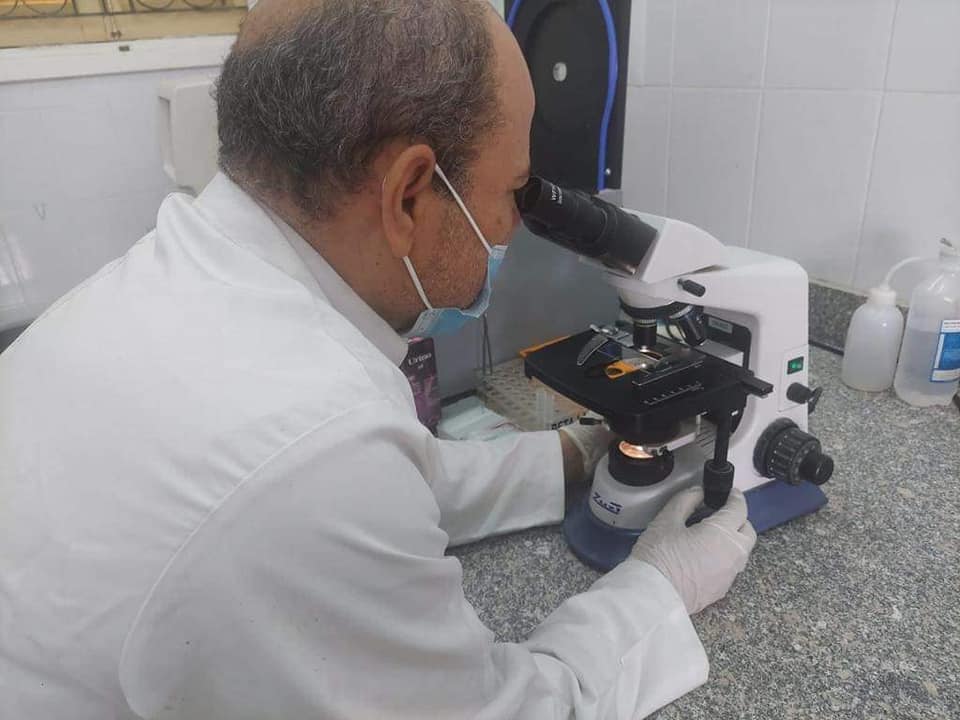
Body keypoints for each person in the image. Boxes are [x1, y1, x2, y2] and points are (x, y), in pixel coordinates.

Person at [0, 1, 756, 718]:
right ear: (408, 195)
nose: (513, 226)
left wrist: (572, 454)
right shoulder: (310, 451)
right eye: (512, 191)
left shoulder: (168, 284)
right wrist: (661, 588)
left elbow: (384, 485)